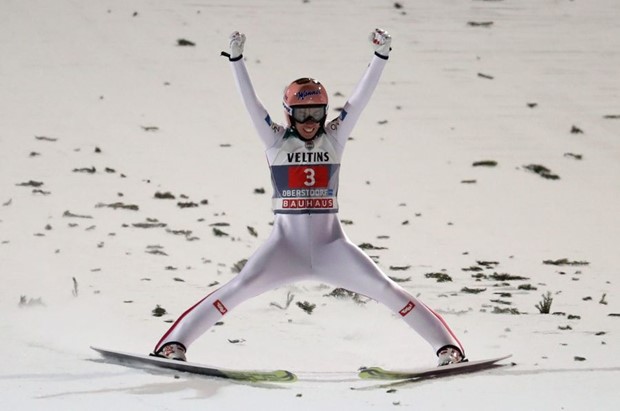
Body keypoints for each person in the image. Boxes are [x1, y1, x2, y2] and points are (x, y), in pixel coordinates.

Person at [153, 29, 465, 367]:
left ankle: (448, 350)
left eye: (317, 113)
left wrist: (380, 57)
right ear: (288, 113)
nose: (310, 122)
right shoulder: (274, 140)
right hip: (284, 249)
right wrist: (237, 61)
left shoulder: (335, 136)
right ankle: (174, 345)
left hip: (333, 248)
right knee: (237, 288)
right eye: (302, 115)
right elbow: (250, 104)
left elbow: (359, 102)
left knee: (388, 290)